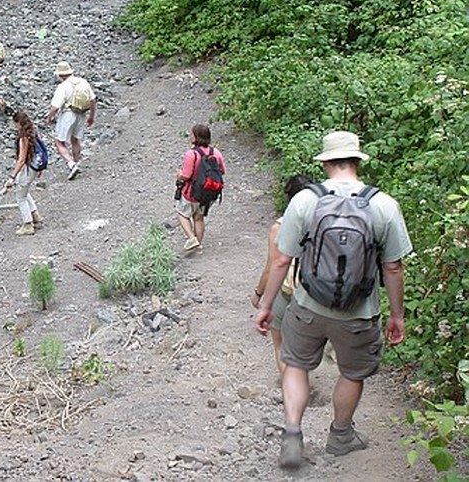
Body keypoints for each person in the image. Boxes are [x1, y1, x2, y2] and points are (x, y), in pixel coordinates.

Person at [255, 131, 411, 470]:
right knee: (352, 373)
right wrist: (397, 315)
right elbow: (394, 266)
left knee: (296, 364)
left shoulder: (305, 201)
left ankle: (293, 433)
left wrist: (266, 305)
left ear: (325, 163)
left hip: (308, 306)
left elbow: (282, 259)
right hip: (359, 313)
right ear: (357, 161)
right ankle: (341, 435)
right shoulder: (383, 204)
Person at [252, 174, 314, 378]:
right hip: (317, 292)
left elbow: (272, 267)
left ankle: (292, 388)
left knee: (280, 343)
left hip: (289, 291)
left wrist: (259, 293)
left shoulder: (280, 226)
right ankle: (303, 381)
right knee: (302, 345)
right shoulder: (324, 220)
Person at [175, 123, 226, 251]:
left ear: (197, 137)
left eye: (192, 134)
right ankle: (198, 245)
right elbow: (222, 171)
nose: (190, 136)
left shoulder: (191, 154)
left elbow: (186, 176)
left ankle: (192, 238)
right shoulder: (216, 152)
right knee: (199, 218)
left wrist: (179, 175)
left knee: (182, 213)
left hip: (193, 193)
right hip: (209, 192)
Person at [44, 61, 96, 180]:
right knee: (75, 140)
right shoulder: (83, 82)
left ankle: (71, 164)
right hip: (82, 114)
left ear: (60, 75)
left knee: (59, 142)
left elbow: (56, 107)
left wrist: (49, 117)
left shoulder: (63, 86)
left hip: (68, 113)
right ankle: (76, 163)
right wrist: (91, 116)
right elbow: (93, 100)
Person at [3, 110, 44, 235]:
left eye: (15, 124)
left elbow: (21, 160)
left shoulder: (23, 138)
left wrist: (12, 177)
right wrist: (40, 168)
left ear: (19, 123)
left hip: (28, 167)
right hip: (34, 166)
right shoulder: (34, 131)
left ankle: (28, 225)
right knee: (24, 191)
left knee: (20, 196)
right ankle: (35, 216)